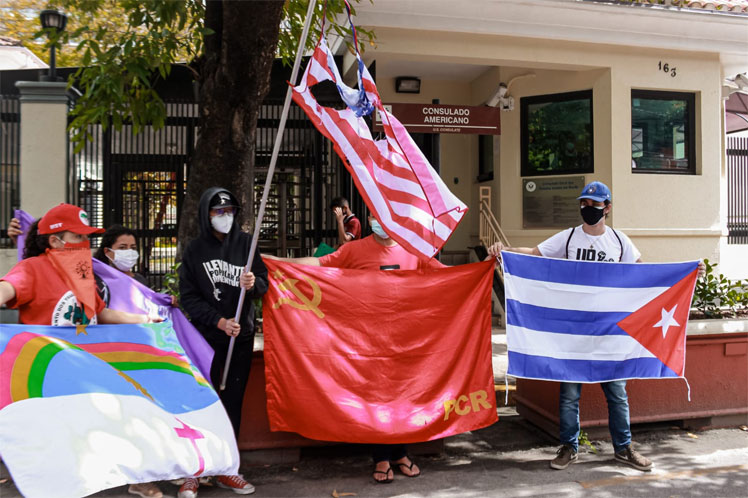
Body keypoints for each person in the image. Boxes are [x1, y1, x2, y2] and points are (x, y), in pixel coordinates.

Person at [488, 181, 705, 473]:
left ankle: (624, 448)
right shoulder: (568, 238)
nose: (588, 209)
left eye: (595, 205)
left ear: (608, 208)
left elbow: (644, 274)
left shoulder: (619, 242)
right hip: (573, 333)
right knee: (569, 394)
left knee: (616, 393)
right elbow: (535, 255)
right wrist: (505, 252)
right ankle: (569, 447)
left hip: (610, 332)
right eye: (584, 204)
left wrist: (685, 274)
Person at [266, 214, 457, 484]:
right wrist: (276, 261)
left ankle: (400, 453)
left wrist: (484, 268)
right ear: (370, 218)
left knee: (402, 398)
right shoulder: (354, 249)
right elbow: (317, 264)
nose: (384, 222)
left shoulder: (413, 249)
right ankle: (381, 458)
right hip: (367, 343)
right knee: (378, 401)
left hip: (405, 341)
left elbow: (448, 275)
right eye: (379, 216)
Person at [178, 188, 268, 498]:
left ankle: (227, 469)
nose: (224, 216)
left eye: (229, 210)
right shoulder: (194, 250)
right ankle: (194, 472)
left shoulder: (246, 244)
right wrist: (218, 321)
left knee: (232, 403)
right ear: (206, 215)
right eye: (218, 212)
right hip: (205, 341)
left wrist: (254, 283)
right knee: (202, 403)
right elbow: (188, 296)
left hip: (239, 340)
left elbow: (264, 281)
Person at [0, 203, 156, 328]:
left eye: (86, 237)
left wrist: (147, 319)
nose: (85, 243)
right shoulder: (33, 267)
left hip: (81, 361)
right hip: (44, 363)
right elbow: (6, 289)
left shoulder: (82, 273)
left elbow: (100, 313)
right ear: (55, 241)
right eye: (78, 236)